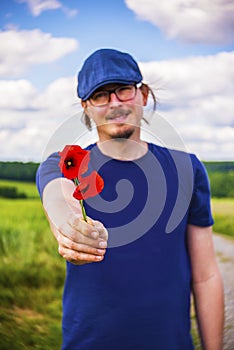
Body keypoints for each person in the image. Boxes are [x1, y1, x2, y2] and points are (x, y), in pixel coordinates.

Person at [36, 48, 224, 350]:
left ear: (143, 94)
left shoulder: (187, 168)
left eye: (123, 90)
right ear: (85, 106)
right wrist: (71, 229)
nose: (114, 103)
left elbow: (206, 276)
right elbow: (59, 201)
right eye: (100, 95)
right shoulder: (64, 163)